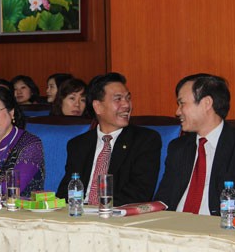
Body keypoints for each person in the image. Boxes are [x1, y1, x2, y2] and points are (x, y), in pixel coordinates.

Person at [56, 72, 161, 206]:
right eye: (118, 99)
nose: (126, 105)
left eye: (128, 98)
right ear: (98, 107)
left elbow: (140, 193)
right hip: (79, 214)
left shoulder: (145, 140)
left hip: (115, 216)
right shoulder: (78, 144)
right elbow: (66, 191)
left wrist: (99, 209)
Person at [155, 74, 235, 215]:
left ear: (206, 103)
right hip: (173, 227)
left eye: (182, 103)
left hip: (219, 229)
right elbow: (163, 199)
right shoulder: (178, 147)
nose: (177, 112)